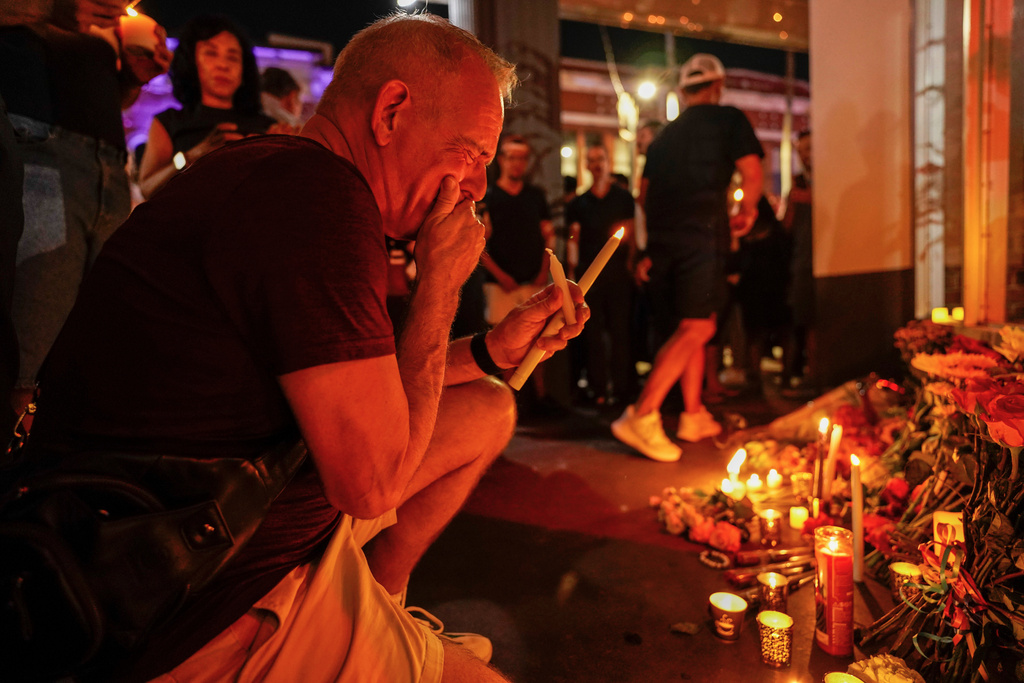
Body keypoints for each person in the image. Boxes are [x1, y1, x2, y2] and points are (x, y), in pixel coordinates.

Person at [20, 13, 587, 683]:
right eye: (474, 153)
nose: (479, 185)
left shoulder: (290, 174)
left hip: (230, 522)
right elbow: (371, 485)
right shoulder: (317, 199)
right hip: (187, 598)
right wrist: (439, 282)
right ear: (392, 112)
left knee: (490, 407)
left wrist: (494, 348)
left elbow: (365, 382)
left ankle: (381, 604)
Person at [0, 0, 171, 421]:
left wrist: (133, 78)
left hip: (106, 168)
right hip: (39, 150)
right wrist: (50, 7)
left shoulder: (94, 18)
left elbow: (102, 95)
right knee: (24, 345)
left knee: (92, 347)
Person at [612, 53, 763, 462]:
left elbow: (643, 194)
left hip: (664, 245)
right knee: (698, 327)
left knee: (686, 325)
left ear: (683, 92)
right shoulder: (729, 119)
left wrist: (652, 246)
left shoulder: (663, 137)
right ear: (717, 87)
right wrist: (744, 211)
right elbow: (752, 172)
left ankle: (693, 414)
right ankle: (641, 415)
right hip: (702, 237)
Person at [137, 14, 276, 199]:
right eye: (211, 53)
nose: (223, 65)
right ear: (192, 62)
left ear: (245, 69)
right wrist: (189, 158)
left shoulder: (268, 127)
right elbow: (147, 189)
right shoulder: (170, 122)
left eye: (233, 57)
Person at [566, 143, 636, 405]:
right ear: (586, 165)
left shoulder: (622, 198)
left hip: (618, 274)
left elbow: (630, 234)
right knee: (592, 332)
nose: (596, 164)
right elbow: (574, 237)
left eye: (600, 159)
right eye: (592, 160)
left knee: (620, 331)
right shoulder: (579, 203)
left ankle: (621, 388)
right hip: (589, 277)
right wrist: (572, 271)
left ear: (608, 162)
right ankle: (598, 389)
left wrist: (631, 264)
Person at [479, 135, 555, 325]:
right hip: (499, 286)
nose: (517, 164)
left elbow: (549, 236)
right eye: (512, 157)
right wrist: (501, 276)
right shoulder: (487, 197)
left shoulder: (536, 196)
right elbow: (478, 245)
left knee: (536, 337)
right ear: (501, 159)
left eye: (522, 158)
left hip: (533, 282)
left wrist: (543, 271)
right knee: (499, 339)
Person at [782, 129, 817, 396]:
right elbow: (789, 227)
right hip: (801, 261)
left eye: (812, 148)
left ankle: (814, 374)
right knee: (800, 320)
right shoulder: (797, 185)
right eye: (804, 150)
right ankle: (797, 374)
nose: (808, 155)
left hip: (824, 261)